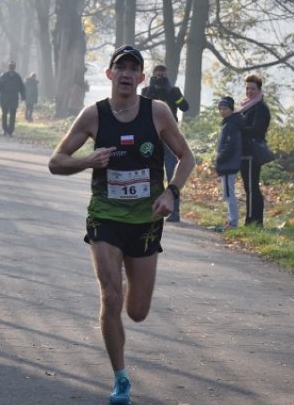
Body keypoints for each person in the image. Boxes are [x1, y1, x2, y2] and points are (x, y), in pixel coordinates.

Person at [48, 45, 195, 405]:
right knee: (110, 296)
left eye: (134, 68)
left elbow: (186, 156)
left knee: (137, 311)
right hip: (105, 216)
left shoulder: (157, 112)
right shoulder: (93, 115)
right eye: (121, 68)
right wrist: (87, 161)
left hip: (145, 220)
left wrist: (172, 192)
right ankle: (120, 378)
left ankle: (129, 275)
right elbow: (56, 161)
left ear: (142, 78)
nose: (127, 74)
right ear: (110, 75)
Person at [141, 64, 189, 222]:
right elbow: (141, 108)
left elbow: (185, 106)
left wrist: (172, 92)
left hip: (169, 137)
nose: (160, 77)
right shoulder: (147, 91)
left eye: (163, 74)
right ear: (152, 75)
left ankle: (174, 212)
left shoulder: (173, 91)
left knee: (171, 172)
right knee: (150, 173)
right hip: (151, 135)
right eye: (157, 74)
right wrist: (153, 89)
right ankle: (149, 209)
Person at [239, 73, 271, 227]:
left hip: (252, 152)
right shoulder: (246, 107)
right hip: (243, 152)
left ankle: (254, 221)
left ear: (259, 90)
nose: (249, 91)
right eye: (247, 88)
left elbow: (257, 130)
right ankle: (253, 220)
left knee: (252, 188)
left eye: (252, 88)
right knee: (248, 187)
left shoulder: (260, 108)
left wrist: (238, 128)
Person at [215, 96, 243, 230]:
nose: (222, 111)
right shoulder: (227, 123)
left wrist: (220, 158)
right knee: (227, 194)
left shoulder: (231, 124)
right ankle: (230, 220)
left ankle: (233, 223)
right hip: (227, 164)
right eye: (220, 108)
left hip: (229, 165)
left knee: (229, 194)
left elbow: (230, 145)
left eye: (225, 108)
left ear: (231, 109)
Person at [0, 61, 25, 136]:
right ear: (8, 67)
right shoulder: (4, 76)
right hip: (4, 97)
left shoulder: (17, 77)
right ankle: (4, 129)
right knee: (4, 114)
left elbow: (21, 87)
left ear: (14, 68)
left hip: (13, 98)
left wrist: (23, 96)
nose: (11, 69)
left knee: (12, 115)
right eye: (10, 67)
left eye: (13, 67)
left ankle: (10, 131)